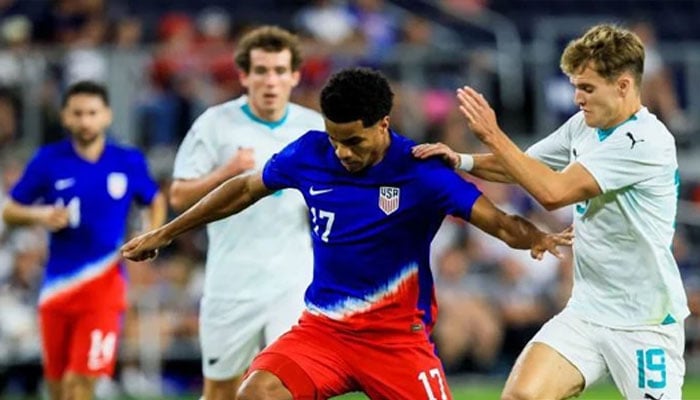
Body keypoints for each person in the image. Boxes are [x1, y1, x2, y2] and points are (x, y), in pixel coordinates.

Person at [122, 67, 572, 399]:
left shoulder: (422, 172)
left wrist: (534, 236)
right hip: (323, 333)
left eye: (353, 141)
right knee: (254, 394)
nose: (341, 152)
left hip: (396, 340)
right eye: (334, 138)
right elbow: (243, 189)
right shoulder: (310, 153)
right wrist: (166, 232)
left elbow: (496, 221)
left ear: (383, 124)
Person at [412, 24, 688, 400]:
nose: (577, 97)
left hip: (644, 319)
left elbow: (552, 191)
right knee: (522, 396)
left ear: (623, 85)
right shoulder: (584, 126)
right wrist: (460, 159)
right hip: (587, 310)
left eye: (587, 88)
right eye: (575, 86)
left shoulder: (644, 141)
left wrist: (493, 133)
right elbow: (524, 166)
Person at [167, 25, 325, 400]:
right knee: (221, 391)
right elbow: (177, 195)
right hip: (231, 282)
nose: (270, 81)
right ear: (243, 76)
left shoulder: (314, 129)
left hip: (293, 281)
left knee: (289, 387)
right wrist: (225, 174)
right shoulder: (215, 124)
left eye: (280, 71)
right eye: (261, 71)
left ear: (295, 76)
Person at [1, 80, 167, 400]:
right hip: (57, 290)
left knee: (81, 385)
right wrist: (40, 215)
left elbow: (155, 199)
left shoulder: (126, 160)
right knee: (58, 388)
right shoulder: (48, 160)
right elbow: (10, 210)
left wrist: (152, 234)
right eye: (77, 113)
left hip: (104, 288)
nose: (85, 121)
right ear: (65, 117)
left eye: (92, 113)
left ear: (106, 115)